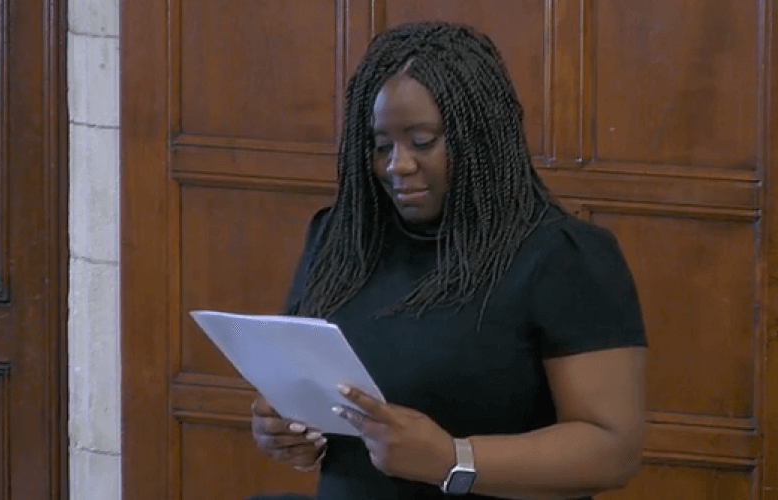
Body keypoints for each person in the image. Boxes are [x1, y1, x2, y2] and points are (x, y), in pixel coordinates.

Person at [249, 21, 647, 500]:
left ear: (480, 136)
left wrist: (453, 459)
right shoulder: (341, 239)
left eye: (421, 142)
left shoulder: (562, 256)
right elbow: (304, 390)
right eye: (381, 146)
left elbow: (612, 449)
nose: (397, 164)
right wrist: (283, 429)